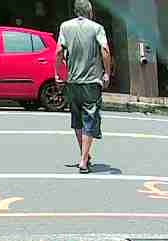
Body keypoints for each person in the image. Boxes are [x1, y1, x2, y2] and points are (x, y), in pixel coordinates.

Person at [55, 0, 112, 174]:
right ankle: (83, 160)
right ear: (89, 11)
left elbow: (59, 52)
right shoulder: (97, 28)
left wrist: (58, 74)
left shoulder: (65, 27)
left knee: (77, 120)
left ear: (75, 11)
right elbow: (105, 50)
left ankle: (84, 155)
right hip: (91, 82)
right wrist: (107, 73)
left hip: (73, 81)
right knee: (90, 118)